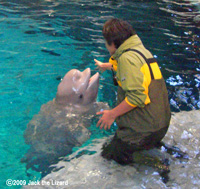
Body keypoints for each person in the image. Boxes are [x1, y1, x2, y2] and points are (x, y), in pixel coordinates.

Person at [94, 18, 171, 165]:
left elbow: (137, 98)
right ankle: (153, 146)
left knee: (110, 155)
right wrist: (108, 66)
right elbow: (135, 73)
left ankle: (154, 162)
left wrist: (112, 114)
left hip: (144, 130)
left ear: (112, 43)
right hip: (161, 125)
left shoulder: (126, 59)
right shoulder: (140, 51)